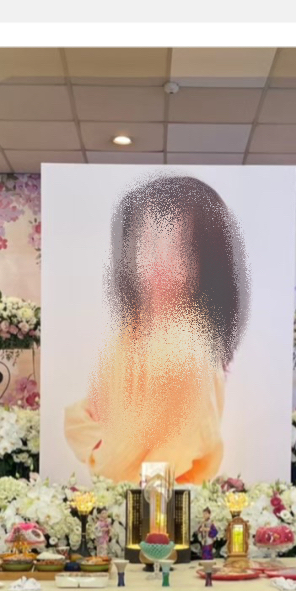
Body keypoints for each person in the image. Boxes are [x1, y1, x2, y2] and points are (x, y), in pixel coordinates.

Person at [64, 175, 250, 483]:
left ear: (205, 261)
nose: (158, 262)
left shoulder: (190, 346)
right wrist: (103, 444)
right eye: (148, 243)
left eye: (177, 247)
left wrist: (103, 450)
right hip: (126, 497)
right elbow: (79, 416)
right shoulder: (130, 335)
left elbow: (162, 457)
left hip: (164, 500)